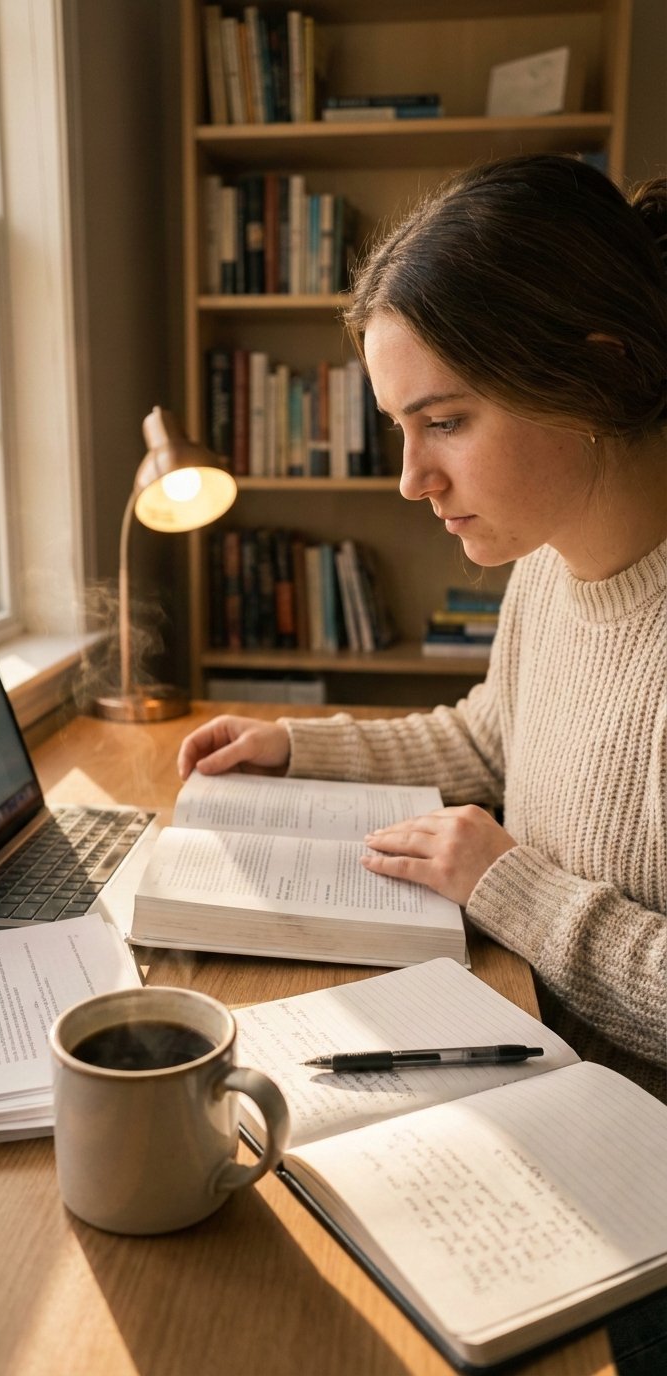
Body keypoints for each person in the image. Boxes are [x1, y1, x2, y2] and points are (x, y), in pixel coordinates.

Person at [178, 154, 667, 1102]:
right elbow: (495, 737)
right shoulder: (547, 563)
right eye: (403, 427)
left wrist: (511, 887)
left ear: (599, 372)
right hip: (524, 1053)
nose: (412, 480)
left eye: (444, 420)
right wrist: (294, 748)